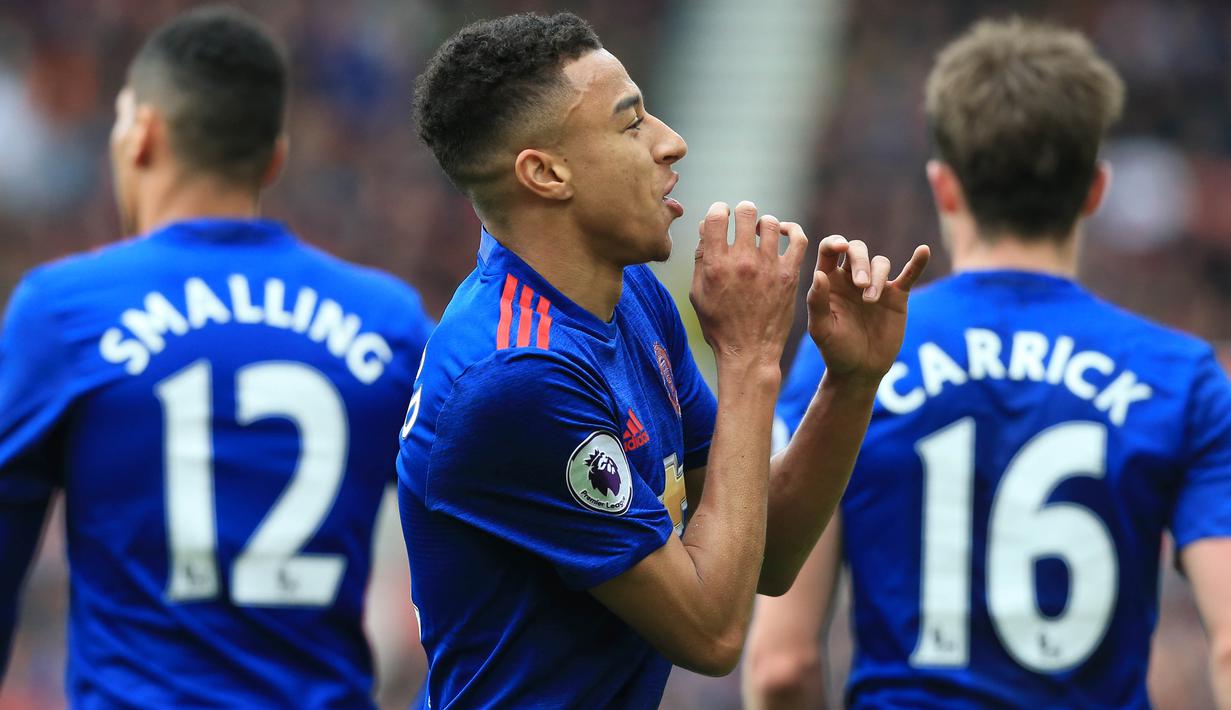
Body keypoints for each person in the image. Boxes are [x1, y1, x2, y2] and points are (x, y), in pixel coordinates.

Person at [397, 11, 930, 708]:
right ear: (546, 173)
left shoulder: (627, 294)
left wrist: (850, 383)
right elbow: (711, 633)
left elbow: (764, 551)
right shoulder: (517, 376)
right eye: (631, 124)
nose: (671, 142)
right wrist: (748, 355)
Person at [744, 18, 1231, 710]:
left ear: (944, 187)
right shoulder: (1181, 378)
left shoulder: (846, 362)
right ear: (1094, 190)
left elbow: (781, 665)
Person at [0, 7, 433, 707]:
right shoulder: (389, 322)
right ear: (275, 157)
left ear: (140, 133)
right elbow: (490, 540)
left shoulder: (63, 311)